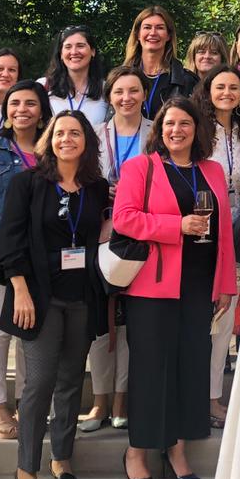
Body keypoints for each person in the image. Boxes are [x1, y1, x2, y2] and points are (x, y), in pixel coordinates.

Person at [111, 95, 238, 479]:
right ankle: (138, 451)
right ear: (159, 129)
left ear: (197, 129)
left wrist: (226, 283)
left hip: (200, 283)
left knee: (190, 366)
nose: (176, 130)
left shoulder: (213, 170)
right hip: (154, 283)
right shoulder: (140, 168)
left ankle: (177, 448)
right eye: (169, 124)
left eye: (184, 123)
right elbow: (124, 218)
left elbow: (225, 230)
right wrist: (175, 227)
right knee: (151, 369)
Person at [0, 110, 110, 479]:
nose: (67, 139)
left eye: (75, 133)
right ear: (49, 138)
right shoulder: (27, 183)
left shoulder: (96, 187)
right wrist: (21, 291)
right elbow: (10, 241)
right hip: (39, 298)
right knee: (39, 383)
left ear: (86, 141)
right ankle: (27, 466)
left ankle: (62, 456)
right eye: (60, 133)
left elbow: (98, 236)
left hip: (81, 297)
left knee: (71, 382)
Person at [0, 81, 50, 441]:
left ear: (42, 110)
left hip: (44, 255)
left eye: (30, 103)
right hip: (2, 253)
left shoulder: (53, 151)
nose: (22, 109)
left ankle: (26, 405)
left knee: (32, 331)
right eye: (15, 103)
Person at [84, 66, 151, 432]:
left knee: (130, 322)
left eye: (134, 91)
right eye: (119, 92)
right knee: (102, 321)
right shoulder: (94, 135)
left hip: (142, 237)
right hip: (101, 234)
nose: (126, 98)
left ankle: (123, 399)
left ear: (143, 94)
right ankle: (98, 402)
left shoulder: (157, 132)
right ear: (109, 97)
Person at [200, 65, 240, 427]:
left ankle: (214, 397)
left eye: (234, 87)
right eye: (220, 87)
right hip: (203, 232)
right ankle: (194, 394)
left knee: (225, 316)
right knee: (202, 319)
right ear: (208, 90)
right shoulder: (199, 129)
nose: (227, 93)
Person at [124, 5, 193, 118]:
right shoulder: (120, 78)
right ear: (138, 34)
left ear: (168, 36)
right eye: (147, 27)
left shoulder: (186, 81)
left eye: (160, 28)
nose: (153, 33)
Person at [45, 25, 110, 126]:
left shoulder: (106, 89)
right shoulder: (45, 86)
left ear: (93, 51)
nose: (74, 52)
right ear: (61, 54)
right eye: (68, 47)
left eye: (80, 46)